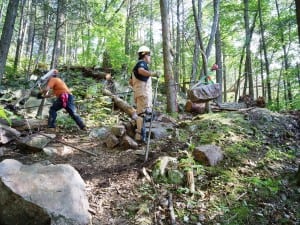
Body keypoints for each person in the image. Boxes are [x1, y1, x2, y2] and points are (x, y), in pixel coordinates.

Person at [131, 46, 160, 141]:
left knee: (141, 113)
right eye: (149, 55)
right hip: (143, 93)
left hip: (139, 93)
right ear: (144, 55)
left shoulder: (135, 66)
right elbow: (141, 71)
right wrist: (153, 73)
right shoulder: (141, 63)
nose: (150, 57)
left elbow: (130, 82)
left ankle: (140, 135)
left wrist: (137, 87)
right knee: (142, 114)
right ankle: (140, 136)